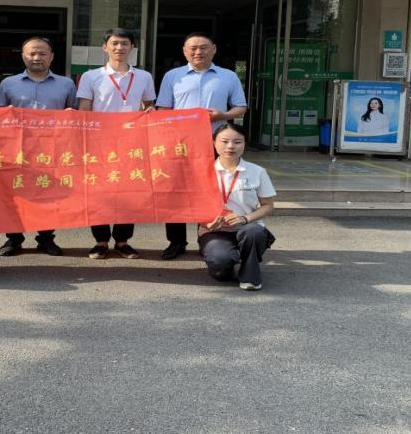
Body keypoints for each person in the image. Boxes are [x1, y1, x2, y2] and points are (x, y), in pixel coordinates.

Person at [155, 32, 248, 260]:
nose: (198, 52)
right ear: (184, 51)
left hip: (215, 143)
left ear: (214, 49)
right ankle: (176, 242)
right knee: (176, 193)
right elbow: (163, 109)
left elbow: (241, 107)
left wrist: (222, 115)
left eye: (204, 47)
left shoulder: (228, 76)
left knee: (211, 191)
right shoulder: (173, 76)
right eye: (193, 48)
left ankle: (207, 238)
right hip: (180, 144)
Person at [76, 27, 156, 260]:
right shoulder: (91, 76)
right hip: (99, 143)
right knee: (98, 192)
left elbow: (149, 105)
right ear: (105, 47)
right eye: (114, 43)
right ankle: (100, 241)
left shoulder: (144, 77)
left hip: (132, 143)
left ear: (132, 47)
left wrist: (150, 112)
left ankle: (123, 241)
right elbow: (84, 109)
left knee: (129, 191)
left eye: (124, 43)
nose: (119, 48)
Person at [0, 36, 76, 257]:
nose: (37, 57)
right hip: (17, 149)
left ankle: (46, 238)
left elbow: (75, 115)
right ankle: (14, 238)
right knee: (15, 192)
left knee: (48, 193)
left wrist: (71, 115)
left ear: (51, 57)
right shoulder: (8, 84)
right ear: (23, 56)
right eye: (31, 53)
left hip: (53, 149)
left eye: (42, 53)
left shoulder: (66, 84)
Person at [200, 123, 276, 291]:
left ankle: (250, 276)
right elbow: (192, 206)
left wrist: (245, 219)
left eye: (237, 142)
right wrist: (206, 223)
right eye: (224, 141)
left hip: (248, 228)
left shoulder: (257, 171)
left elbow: (268, 206)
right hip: (214, 230)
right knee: (220, 263)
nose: (230, 146)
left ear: (245, 144)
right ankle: (225, 263)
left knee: (254, 232)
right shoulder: (202, 171)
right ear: (214, 143)